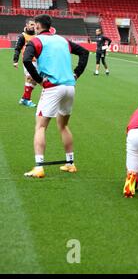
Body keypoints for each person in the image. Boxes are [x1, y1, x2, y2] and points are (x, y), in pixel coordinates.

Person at [22, 14, 89, 178]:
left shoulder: (36, 41)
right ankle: (70, 163)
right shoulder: (62, 40)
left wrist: (38, 80)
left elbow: (26, 60)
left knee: (41, 126)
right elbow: (84, 53)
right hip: (69, 87)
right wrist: (76, 73)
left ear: (37, 26)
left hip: (52, 88)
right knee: (63, 125)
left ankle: (39, 167)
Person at [13, 18, 38, 107]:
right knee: (29, 78)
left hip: (37, 61)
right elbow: (17, 48)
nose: (33, 26)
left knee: (35, 80)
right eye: (31, 24)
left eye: (34, 25)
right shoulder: (22, 36)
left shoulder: (37, 35)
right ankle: (27, 100)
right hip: (28, 61)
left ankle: (24, 98)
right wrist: (15, 60)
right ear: (27, 25)